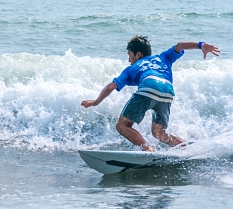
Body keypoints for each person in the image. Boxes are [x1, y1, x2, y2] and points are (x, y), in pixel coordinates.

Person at [81, 36, 220, 151]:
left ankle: (147, 149)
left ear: (138, 54)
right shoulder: (163, 57)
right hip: (168, 92)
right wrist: (201, 45)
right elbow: (180, 45)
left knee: (122, 126)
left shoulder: (131, 68)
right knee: (159, 133)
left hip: (149, 86)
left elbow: (111, 86)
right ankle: (185, 148)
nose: (129, 60)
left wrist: (95, 102)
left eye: (130, 55)